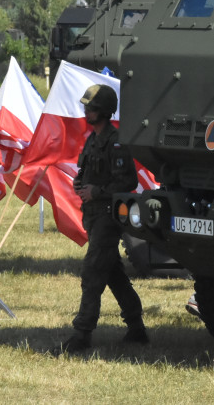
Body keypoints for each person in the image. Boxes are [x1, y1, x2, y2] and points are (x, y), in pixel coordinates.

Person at [56, 84, 147, 353]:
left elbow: (128, 181)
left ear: (105, 110)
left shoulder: (116, 142)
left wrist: (98, 191)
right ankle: (136, 328)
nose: (86, 111)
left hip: (108, 216)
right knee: (112, 273)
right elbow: (86, 171)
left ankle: (82, 334)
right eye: (86, 106)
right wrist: (80, 183)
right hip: (93, 216)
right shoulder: (92, 140)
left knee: (93, 270)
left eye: (91, 107)